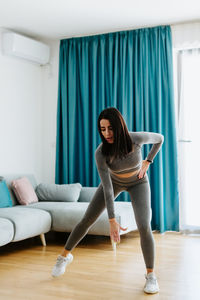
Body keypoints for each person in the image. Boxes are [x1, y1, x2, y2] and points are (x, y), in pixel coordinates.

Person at [52, 107, 164, 294]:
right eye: (102, 129)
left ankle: (151, 275)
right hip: (114, 182)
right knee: (87, 219)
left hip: (139, 182)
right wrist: (112, 220)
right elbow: (108, 188)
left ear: (119, 126)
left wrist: (148, 161)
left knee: (144, 225)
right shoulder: (101, 153)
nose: (106, 133)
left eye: (110, 128)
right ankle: (64, 256)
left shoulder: (136, 139)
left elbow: (160, 139)